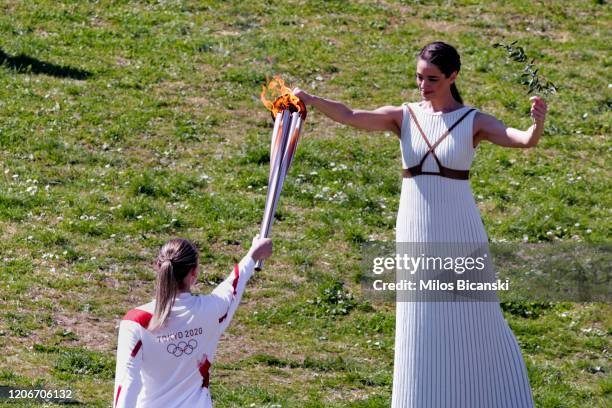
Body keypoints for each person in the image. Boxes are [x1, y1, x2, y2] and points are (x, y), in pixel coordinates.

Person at [293, 41, 547, 407]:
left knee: (475, 319)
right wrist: (310, 98)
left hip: (459, 231)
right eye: (419, 77)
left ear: (452, 77)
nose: (423, 86)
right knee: (420, 322)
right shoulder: (405, 116)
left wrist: (536, 123)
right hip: (415, 229)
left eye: (432, 79)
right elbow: (351, 115)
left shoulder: (472, 120)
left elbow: (522, 140)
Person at [113, 235, 272, 408]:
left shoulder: (135, 322)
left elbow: (126, 382)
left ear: (158, 267)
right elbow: (233, 284)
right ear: (194, 272)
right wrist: (253, 255)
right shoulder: (210, 310)